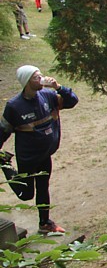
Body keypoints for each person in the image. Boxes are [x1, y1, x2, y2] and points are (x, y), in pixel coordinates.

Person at [1, 65, 79, 235]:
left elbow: (73, 101)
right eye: (36, 77)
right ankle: (5, 164)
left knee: (43, 188)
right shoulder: (14, 106)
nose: (42, 78)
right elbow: (3, 130)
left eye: (40, 75)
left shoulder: (49, 95)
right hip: (28, 159)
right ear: (27, 81)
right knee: (25, 194)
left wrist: (58, 87)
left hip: (45, 155)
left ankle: (45, 223)